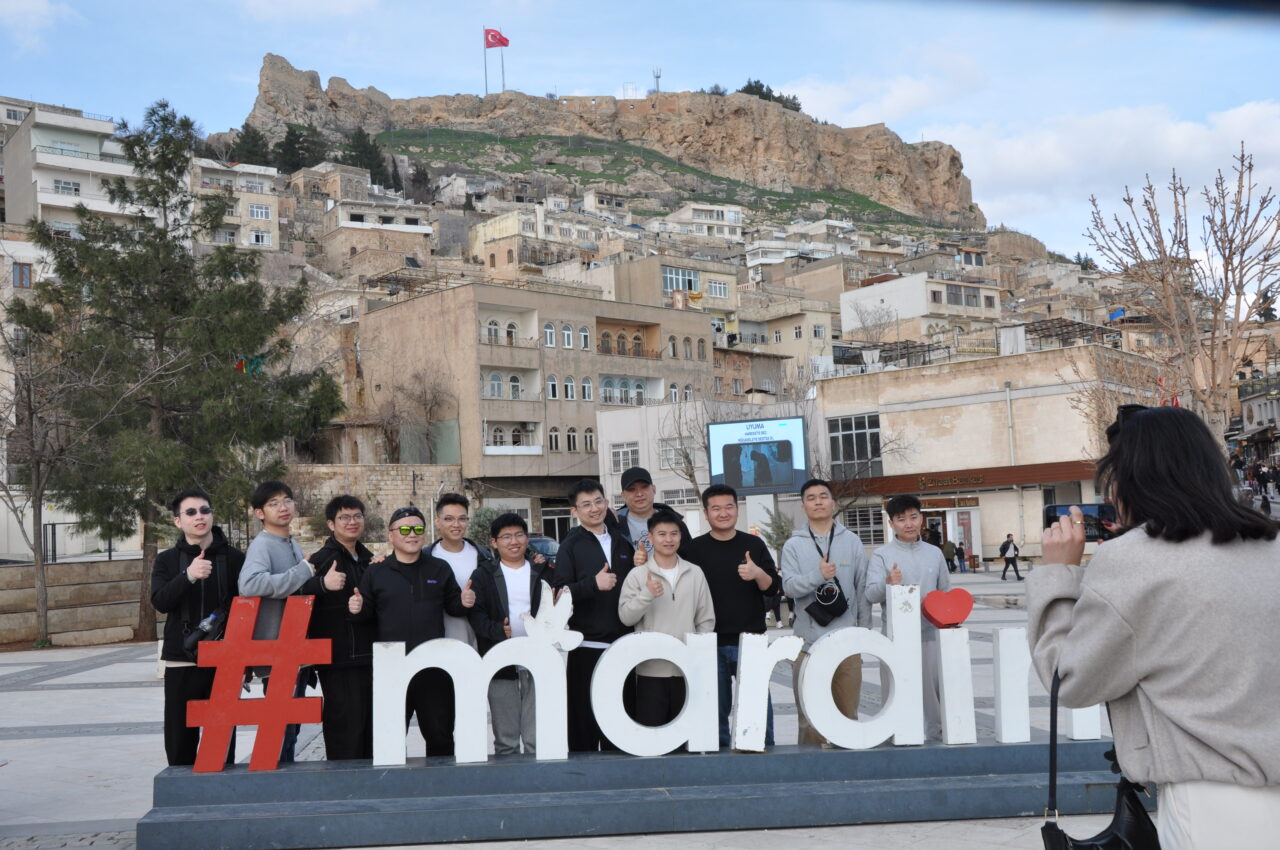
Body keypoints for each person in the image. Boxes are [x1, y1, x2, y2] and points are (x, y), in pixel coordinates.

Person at [1028, 405, 1280, 848]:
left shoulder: (1135, 560)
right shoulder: (1271, 545)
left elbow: (1068, 681)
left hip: (1213, 798)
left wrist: (1058, 575)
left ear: (1131, 479)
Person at [348, 505, 476, 756]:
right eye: (404, 529)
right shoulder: (376, 571)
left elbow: (454, 607)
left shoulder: (439, 569)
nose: (412, 534)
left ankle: (440, 792)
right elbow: (365, 615)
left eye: (418, 528)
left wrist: (465, 602)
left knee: (440, 736)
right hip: (391, 668)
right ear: (391, 535)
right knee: (389, 739)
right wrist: (356, 608)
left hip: (434, 667)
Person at [151, 488, 244, 767]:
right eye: (190, 512)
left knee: (222, 741)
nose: (199, 517)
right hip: (181, 659)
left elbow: (246, 609)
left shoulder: (235, 558)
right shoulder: (167, 560)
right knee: (180, 739)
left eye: (204, 510)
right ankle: (180, 799)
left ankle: (220, 800)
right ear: (178, 521)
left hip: (224, 659)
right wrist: (188, 576)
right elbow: (160, 601)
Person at [686, 483, 781, 748]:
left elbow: (774, 587)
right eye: (716, 508)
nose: (723, 513)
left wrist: (757, 573)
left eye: (729, 506)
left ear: (737, 509)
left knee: (758, 706)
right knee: (714, 710)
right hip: (709, 642)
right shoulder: (694, 550)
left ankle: (765, 754)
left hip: (749, 639)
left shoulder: (753, 544)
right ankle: (718, 761)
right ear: (706, 513)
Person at [780, 479, 872, 747]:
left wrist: (863, 633)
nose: (818, 501)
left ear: (833, 503)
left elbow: (862, 586)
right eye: (811, 497)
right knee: (808, 717)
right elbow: (790, 587)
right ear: (803, 505)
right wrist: (816, 576)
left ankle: (847, 773)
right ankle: (808, 773)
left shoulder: (852, 541)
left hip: (847, 642)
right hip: (808, 643)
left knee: (847, 713)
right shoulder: (793, 545)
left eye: (823, 496)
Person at [550, 478, 639, 752]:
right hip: (586, 648)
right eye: (586, 504)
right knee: (584, 726)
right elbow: (558, 594)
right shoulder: (570, 545)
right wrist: (592, 584)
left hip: (623, 648)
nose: (594, 508)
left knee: (621, 725)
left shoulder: (623, 542)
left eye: (598, 501)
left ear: (607, 502)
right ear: (574, 511)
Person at [238, 480, 322, 762]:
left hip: (295, 647)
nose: (283, 507)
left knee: (291, 726)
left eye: (286, 500)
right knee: (280, 725)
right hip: (277, 651)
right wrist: (303, 571)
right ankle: (275, 779)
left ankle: (283, 774)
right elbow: (249, 584)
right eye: (273, 503)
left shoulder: (291, 542)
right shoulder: (262, 545)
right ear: (259, 513)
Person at [618, 510, 716, 733]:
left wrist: (695, 657)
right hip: (649, 672)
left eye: (674, 533)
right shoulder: (638, 575)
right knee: (652, 739)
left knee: (685, 739)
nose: (668, 539)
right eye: (661, 534)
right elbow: (626, 617)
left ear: (681, 536)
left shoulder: (695, 573)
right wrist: (646, 594)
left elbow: (706, 620)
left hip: (687, 672)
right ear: (650, 538)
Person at [865, 494, 951, 740]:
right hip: (895, 639)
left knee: (933, 695)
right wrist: (887, 583)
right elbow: (870, 594)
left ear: (922, 519)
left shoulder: (934, 553)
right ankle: (896, 737)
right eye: (901, 519)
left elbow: (945, 592)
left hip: (930, 636)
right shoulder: (882, 555)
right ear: (891, 523)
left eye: (914, 517)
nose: (909, 524)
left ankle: (935, 736)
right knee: (897, 693)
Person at [467, 512, 550, 756]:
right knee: (506, 740)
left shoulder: (543, 570)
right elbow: (476, 615)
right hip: (500, 662)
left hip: (538, 660)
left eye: (519, 535)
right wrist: (497, 631)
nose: (514, 542)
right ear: (494, 542)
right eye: (506, 537)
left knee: (538, 739)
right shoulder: (483, 575)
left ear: (526, 538)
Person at [306, 495, 375, 760]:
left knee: (370, 725)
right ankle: (343, 783)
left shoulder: (369, 559)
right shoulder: (321, 560)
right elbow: (294, 592)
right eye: (344, 517)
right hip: (337, 658)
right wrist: (321, 583)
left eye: (357, 516)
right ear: (331, 524)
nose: (352, 522)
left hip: (369, 655)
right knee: (344, 726)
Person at [427, 493, 483, 649]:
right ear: (437, 521)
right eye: (449, 519)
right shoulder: (426, 557)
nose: (456, 524)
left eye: (462, 518)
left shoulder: (482, 556)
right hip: (436, 642)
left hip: (476, 642)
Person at [612, 466, 695, 560]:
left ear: (654, 489)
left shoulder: (674, 522)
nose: (639, 494)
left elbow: (690, 557)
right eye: (631, 489)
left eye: (644, 487)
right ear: (623, 495)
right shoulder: (613, 524)